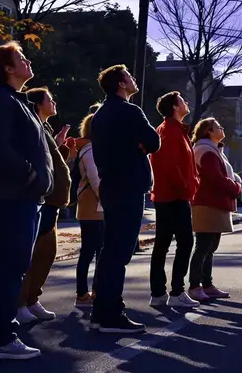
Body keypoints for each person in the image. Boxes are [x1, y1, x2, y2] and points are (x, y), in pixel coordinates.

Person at [0, 43, 53, 360]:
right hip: (12, 197)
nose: (27, 61)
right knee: (7, 268)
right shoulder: (1, 102)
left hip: (23, 198)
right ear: (7, 68)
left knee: (6, 267)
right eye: (21, 58)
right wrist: (29, 174)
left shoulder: (16, 102)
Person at [89, 65, 161, 333]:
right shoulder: (130, 111)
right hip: (129, 186)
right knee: (119, 253)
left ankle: (101, 310)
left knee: (110, 250)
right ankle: (110, 313)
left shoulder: (100, 115)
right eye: (130, 75)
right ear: (121, 84)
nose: (134, 78)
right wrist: (139, 144)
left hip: (110, 186)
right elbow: (154, 142)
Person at [17, 87, 72, 324]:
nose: (54, 102)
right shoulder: (33, 127)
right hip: (42, 201)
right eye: (50, 99)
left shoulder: (45, 129)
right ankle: (19, 303)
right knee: (31, 255)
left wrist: (59, 145)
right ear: (38, 105)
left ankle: (32, 299)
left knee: (46, 255)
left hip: (52, 203)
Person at [148, 91, 200, 308]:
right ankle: (175, 291)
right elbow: (171, 166)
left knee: (163, 243)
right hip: (173, 195)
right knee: (183, 241)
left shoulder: (176, 130)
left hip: (170, 195)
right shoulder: (170, 130)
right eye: (182, 101)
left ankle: (159, 294)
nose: (186, 103)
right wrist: (187, 188)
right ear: (174, 107)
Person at [188, 118, 242, 301]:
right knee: (203, 247)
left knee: (210, 247)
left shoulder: (214, 150)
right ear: (209, 131)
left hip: (215, 203)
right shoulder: (206, 150)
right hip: (207, 203)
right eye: (218, 127)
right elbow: (215, 178)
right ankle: (195, 286)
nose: (222, 128)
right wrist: (236, 188)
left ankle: (207, 284)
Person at [72, 105, 103, 308]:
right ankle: (83, 293)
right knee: (90, 251)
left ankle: (96, 291)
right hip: (93, 206)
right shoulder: (90, 149)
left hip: (96, 206)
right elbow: (95, 178)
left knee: (98, 251)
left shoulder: (93, 147)